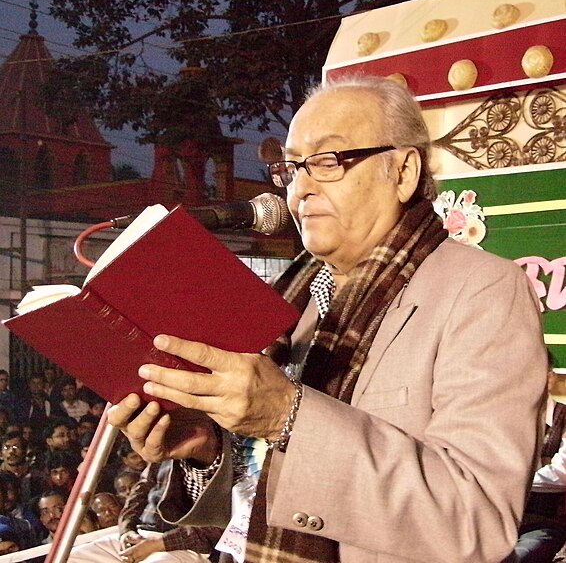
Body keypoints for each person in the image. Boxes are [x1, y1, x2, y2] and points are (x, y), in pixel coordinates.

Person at [108, 76, 548, 563]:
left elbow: (477, 519)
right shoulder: (293, 298)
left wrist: (286, 415)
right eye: (292, 168)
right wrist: (205, 450)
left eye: (326, 162)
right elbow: (259, 496)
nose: (300, 191)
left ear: (403, 171)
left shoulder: (482, 291)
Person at [67, 460, 222, 562]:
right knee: (70, 559)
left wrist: (157, 544)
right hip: (141, 535)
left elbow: (217, 530)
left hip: (183, 546)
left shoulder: (227, 464)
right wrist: (127, 530)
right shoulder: (165, 456)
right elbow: (138, 494)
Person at [514, 368, 566, 562]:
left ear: (550, 378)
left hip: (543, 521)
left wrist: (509, 479)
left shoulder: (564, 417)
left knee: (519, 557)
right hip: (495, 518)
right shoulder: (501, 419)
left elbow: (560, 474)